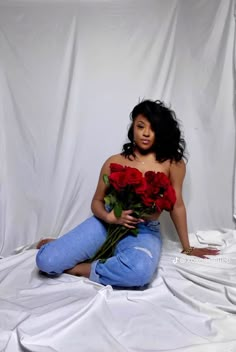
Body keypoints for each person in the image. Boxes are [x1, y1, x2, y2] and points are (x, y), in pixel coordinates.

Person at [36, 100, 220, 288]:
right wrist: (110, 217)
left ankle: (83, 268)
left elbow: (177, 205)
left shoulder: (173, 163)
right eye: (141, 126)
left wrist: (187, 248)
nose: (146, 133)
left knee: (139, 272)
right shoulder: (114, 162)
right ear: (133, 127)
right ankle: (64, 246)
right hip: (106, 224)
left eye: (153, 128)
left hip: (144, 230)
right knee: (47, 261)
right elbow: (97, 202)